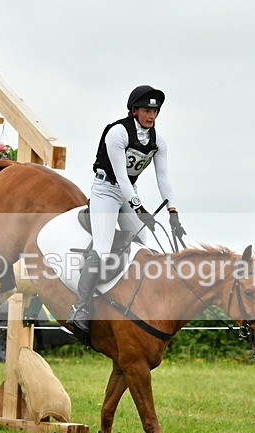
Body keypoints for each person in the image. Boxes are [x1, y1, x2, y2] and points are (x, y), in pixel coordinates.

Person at [67, 85, 186, 333]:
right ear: (134, 111)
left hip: (128, 192)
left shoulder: (158, 142)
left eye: (155, 111)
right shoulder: (117, 132)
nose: (152, 116)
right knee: (101, 248)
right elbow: (120, 176)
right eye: (146, 110)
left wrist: (173, 211)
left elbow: (163, 177)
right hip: (105, 190)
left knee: (145, 244)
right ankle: (80, 307)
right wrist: (139, 208)